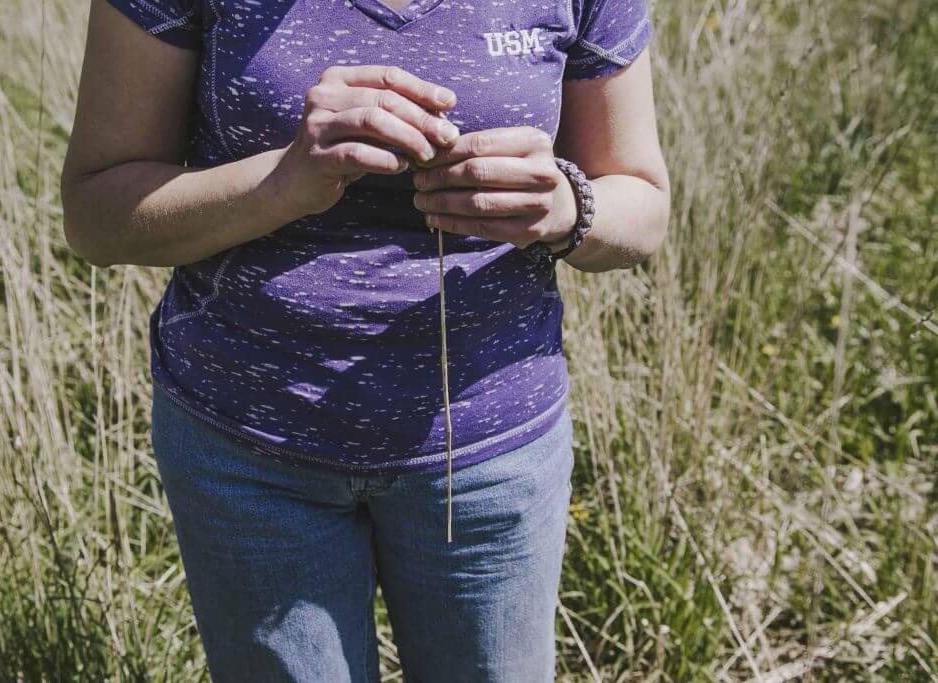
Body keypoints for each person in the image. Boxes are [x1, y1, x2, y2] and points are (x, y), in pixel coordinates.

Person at [60, 0, 670, 679]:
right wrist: (285, 182)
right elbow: (96, 214)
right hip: (248, 461)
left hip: (488, 456)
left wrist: (564, 205)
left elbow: (642, 202)